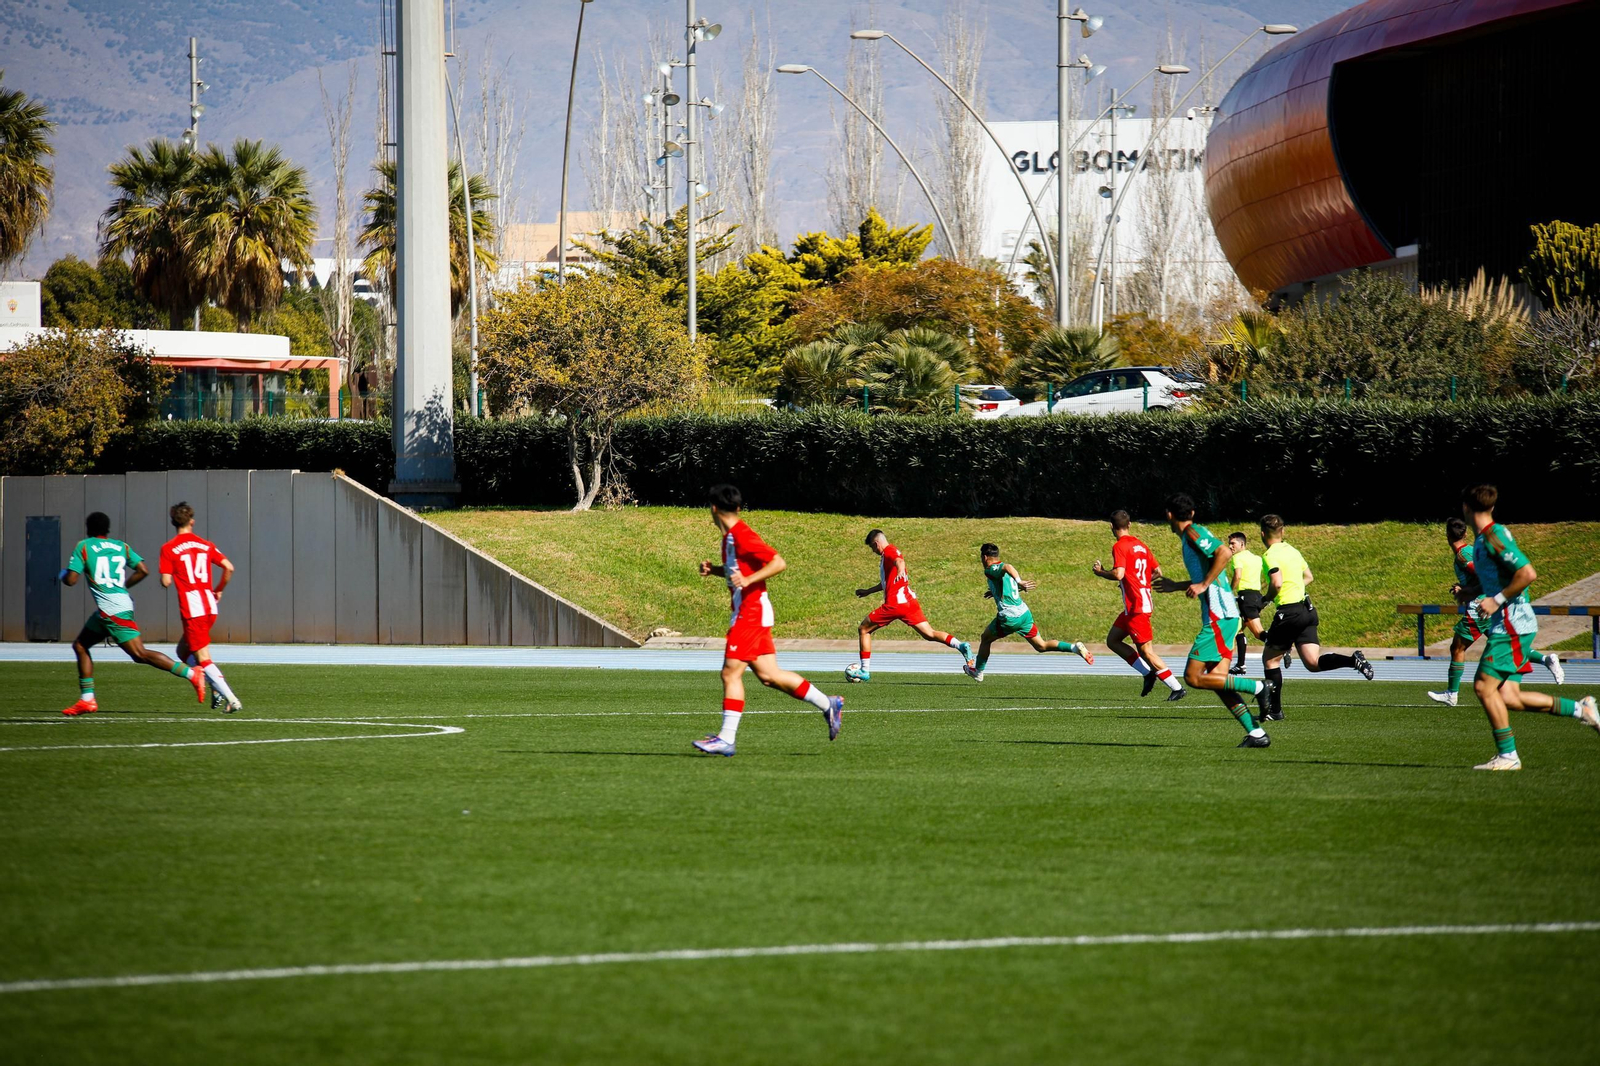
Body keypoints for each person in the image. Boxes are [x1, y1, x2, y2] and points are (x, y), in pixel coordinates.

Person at [693, 484, 843, 756]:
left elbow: (777, 562)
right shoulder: (729, 538)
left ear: (713, 508)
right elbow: (738, 571)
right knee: (769, 676)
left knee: (730, 672)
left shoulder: (741, 535)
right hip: (752, 611)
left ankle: (726, 738)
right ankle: (828, 703)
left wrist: (749, 579)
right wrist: (716, 570)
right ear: (737, 508)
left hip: (750, 613)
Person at [1459, 484, 1597, 771]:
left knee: (1484, 687)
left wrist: (1496, 600)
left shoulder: (1494, 536)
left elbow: (1527, 573)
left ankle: (1508, 756)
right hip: (1511, 624)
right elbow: (1496, 579)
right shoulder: (1483, 541)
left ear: (1466, 508)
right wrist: (1469, 592)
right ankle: (1582, 709)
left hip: (1512, 624)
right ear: (1491, 507)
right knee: (1509, 697)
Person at [1153, 494, 1273, 747]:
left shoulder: (1194, 533)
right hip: (1224, 615)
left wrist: (1203, 584)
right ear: (1193, 513)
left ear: (1169, 515)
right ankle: (1257, 734)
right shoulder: (1192, 535)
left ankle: (1259, 688)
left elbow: (1223, 553)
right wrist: (1178, 585)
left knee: (1193, 677)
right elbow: (1209, 574)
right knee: (1219, 681)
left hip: (1220, 616)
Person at [59, 512, 206, 715]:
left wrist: (63, 574)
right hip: (116, 606)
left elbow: (71, 580)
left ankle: (192, 674)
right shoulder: (121, 546)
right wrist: (124, 585)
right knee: (80, 645)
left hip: (111, 610)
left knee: (140, 654)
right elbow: (143, 570)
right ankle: (87, 699)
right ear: (107, 529)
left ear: (89, 528)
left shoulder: (84, 546)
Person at [1427, 516, 1563, 707]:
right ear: (1465, 533)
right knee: (1504, 645)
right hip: (1488, 606)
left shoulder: (1462, 555)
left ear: (1447, 535)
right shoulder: (1470, 550)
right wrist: (1464, 587)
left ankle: (1452, 693)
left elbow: (1483, 576)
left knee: (1457, 647)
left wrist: (1470, 591)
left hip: (1479, 608)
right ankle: (1546, 659)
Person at [1256, 514, 1374, 721]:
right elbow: (1308, 576)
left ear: (1262, 534)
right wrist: (1295, 586)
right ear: (1283, 531)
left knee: (1270, 661)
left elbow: (1276, 583)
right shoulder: (1293, 550)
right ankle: (1352, 660)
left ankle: (1275, 711)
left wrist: (1266, 599)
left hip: (1289, 612)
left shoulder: (1269, 555)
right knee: (1312, 662)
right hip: (1307, 610)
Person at [845, 529, 974, 682]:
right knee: (929, 634)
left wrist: (900, 569)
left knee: (864, 629)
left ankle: (864, 671)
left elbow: (899, 561)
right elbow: (886, 582)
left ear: (876, 543)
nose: (874, 551)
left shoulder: (889, 552)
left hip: (895, 604)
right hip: (909, 602)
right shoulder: (889, 554)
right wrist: (868, 591)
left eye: (873, 548)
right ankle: (961, 646)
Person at [159, 502, 242, 713]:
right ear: (192, 522)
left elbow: (166, 581)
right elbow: (229, 567)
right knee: (182, 650)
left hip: (193, 607)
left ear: (173, 523)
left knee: (204, 659)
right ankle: (213, 685)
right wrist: (219, 588)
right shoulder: (205, 545)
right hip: (209, 604)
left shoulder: (169, 548)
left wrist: (168, 574)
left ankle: (231, 698)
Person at [965, 543, 1093, 681]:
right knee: (1041, 645)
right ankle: (1074, 648)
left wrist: (1019, 581)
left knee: (985, 638)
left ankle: (978, 671)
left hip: (1010, 617)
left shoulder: (991, 569)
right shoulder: (1003, 574)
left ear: (984, 557)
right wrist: (995, 591)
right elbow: (1008, 580)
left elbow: (1007, 566)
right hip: (1024, 614)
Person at [1092, 510, 1183, 700]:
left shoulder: (1119, 546)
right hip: (1136, 605)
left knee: (1146, 651)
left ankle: (1177, 687)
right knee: (1113, 640)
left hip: (1137, 607)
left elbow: (1118, 574)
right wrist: (1139, 582)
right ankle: (1147, 673)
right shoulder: (1140, 545)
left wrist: (1101, 572)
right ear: (1130, 524)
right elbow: (1157, 571)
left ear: (1111, 526)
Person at [1226, 531, 1267, 675]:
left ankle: (1282, 644)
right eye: (1229, 543)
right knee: (1239, 629)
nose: (1230, 546)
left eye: (1233, 543)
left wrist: (1229, 592)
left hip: (1246, 598)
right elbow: (1268, 577)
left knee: (1258, 633)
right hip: (1256, 596)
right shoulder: (1257, 558)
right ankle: (1241, 665)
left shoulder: (1237, 557)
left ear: (1242, 544)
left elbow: (1238, 576)